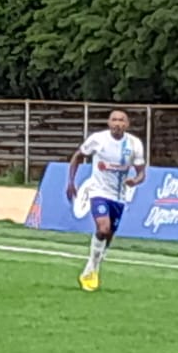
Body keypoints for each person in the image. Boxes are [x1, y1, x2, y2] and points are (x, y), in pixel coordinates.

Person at [65, 109, 147, 292]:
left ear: (127, 124)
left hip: (119, 196)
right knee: (103, 228)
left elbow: (142, 172)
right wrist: (71, 182)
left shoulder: (134, 144)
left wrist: (135, 180)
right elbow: (78, 156)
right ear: (109, 123)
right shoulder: (98, 139)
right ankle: (92, 268)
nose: (118, 123)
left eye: (121, 120)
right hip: (99, 192)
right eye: (114, 120)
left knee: (108, 236)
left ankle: (92, 267)